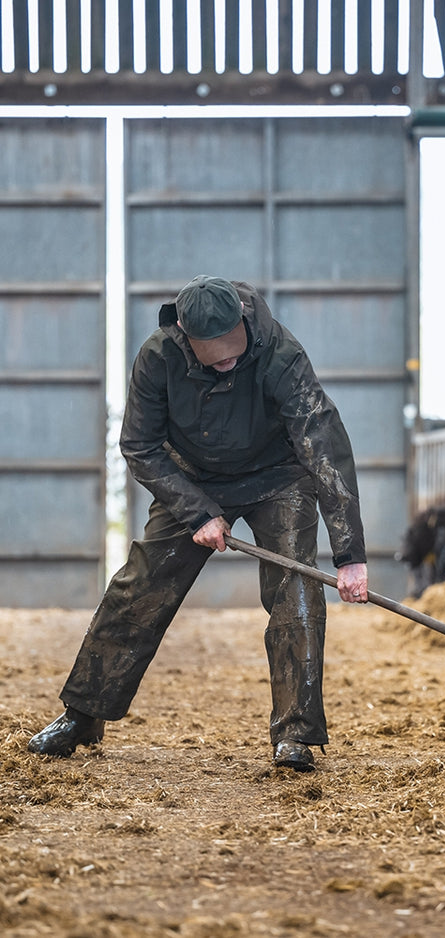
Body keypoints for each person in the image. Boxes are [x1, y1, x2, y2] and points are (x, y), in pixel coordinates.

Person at [28, 275, 368, 772]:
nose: (229, 360)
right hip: (190, 479)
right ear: (185, 336)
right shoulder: (157, 357)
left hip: (277, 475)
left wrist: (350, 556)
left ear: (244, 324)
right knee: (138, 586)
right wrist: (197, 512)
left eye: (235, 349)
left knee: (296, 589)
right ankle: (82, 714)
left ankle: (295, 734)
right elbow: (139, 446)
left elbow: (323, 444)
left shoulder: (280, 352)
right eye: (217, 355)